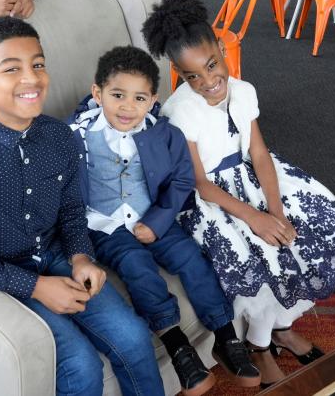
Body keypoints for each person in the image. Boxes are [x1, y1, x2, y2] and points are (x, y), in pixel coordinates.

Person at [141, 0, 335, 388]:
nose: (208, 81)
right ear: (178, 73)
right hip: (214, 197)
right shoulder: (180, 112)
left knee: (312, 230)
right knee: (264, 253)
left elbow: (259, 152)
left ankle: (281, 327)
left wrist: (274, 209)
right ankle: (259, 346)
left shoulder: (243, 91)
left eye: (212, 65)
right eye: (193, 75)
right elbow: (200, 183)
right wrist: (255, 217)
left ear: (222, 51)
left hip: (256, 178)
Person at [0, 18, 164, 396]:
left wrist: (81, 258)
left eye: (38, 65)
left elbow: (71, 213)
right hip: (5, 275)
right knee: (81, 366)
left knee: (135, 337)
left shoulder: (61, 138)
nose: (31, 78)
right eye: (12, 69)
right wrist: (36, 286)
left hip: (55, 255)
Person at [68, 46, 260, 395]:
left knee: (191, 258)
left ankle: (225, 336)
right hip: (105, 226)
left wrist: (157, 221)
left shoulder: (163, 133)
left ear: (152, 99)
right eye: (117, 96)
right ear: (97, 94)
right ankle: (177, 344)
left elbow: (181, 181)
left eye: (139, 98)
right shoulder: (75, 136)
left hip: (155, 216)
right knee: (136, 265)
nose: (128, 107)